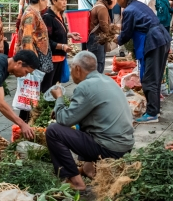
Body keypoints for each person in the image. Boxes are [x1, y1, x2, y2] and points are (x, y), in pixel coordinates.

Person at [46, 51, 134, 190]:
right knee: (84, 123)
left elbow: (64, 120)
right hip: (125, 145)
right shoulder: (106, 79)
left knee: (53, 131)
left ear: (77, 69)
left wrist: (59, 98)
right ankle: (88, 168)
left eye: (71, 68)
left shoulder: (85, 86)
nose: (71, 72)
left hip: (110, 147)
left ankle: (75, 181)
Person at [115, 0, 171, 124]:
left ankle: (152, 113)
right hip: (162, 38)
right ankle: (155, 109)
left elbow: (126, 34)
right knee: (155, 77)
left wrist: (116, 39)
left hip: (153, 41)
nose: (116, 0)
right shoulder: (139, 5)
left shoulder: (128, 10)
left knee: (149, 79)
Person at [16, 0, 52, 121]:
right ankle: (26, 125)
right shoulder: (31, 13)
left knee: (32, 96)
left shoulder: (34, 12)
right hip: (34, 61)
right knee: (29, 97)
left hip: (37, 60)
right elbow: (27, 39)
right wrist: (30, 64)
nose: (47, 2)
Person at [44, 0, 80, 92]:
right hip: (51, 58)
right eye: (62, 0)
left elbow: (58, 33)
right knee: (48, 87)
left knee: (56, 85)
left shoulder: (59, 15)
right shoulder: (48, 18)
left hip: (60, 57)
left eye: (66, 0)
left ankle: (54, 105)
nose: (65, 3)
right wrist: (62, 46)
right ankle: (44, 105)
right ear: (54, 1)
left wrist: (69, 35)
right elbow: (46, 41)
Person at [87, 0, 116, 73]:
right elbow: (104, 27)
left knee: (97, 64)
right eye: (116, 0)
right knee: (98, 64)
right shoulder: (102, 8)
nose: (116, 3)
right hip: (97, 39)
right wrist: (113, 36)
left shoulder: (98, 5)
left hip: (95, 39)